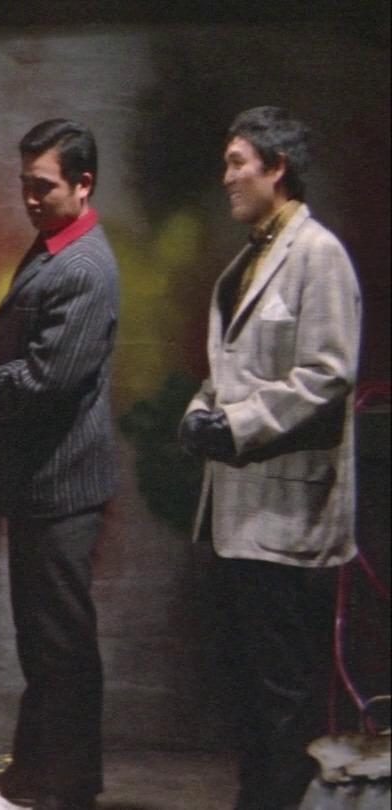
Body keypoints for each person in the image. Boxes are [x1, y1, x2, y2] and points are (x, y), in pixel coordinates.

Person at [179, 106, 360, 810]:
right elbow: (227, 371)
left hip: (288, 516)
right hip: (238, 515)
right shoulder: (245, 261)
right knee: (248, 690)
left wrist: (237, 426)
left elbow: (327, 374)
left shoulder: (318, 254)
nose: (226, 177)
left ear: (276, 167)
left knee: (284, 695)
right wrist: (200, 414)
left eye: (237, 163)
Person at [0, 119, 120, 810]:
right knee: (45, 642)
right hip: (42, 482)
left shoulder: (84, 267)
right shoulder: (56, 247)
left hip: (61, 483)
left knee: (61, 645)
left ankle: (68, 786)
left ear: (84, 184)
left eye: (43, 186)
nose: (29, 198)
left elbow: (48, 380)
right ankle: (40, 774)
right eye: (24, 184)